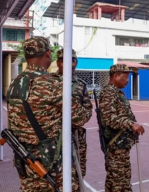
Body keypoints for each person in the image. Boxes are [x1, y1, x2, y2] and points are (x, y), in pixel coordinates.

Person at [6, 37, 90, 191]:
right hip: (51, 162)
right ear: (48, 54)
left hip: (25, 159)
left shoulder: (15, 83)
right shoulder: (53, 83)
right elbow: (80, 118)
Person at [99, 64, 145, 192]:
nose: (128, 80)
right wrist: (131, 124)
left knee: (122, 180)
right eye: (125, 77)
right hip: (115, 145)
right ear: (115, 76)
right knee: (117, 182)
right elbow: (109, 118)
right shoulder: (109, 92)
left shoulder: (116, 92)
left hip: (121, 144)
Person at [54, 49, 92, 177]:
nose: (69, 63)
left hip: (75, 136)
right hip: (52, 138)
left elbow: (88, 108)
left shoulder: (81, 85)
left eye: (73, 60)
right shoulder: (49, 82)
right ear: (58, 62)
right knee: (55, 174)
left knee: (77, 173)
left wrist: (78, 118)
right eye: (64, 60)